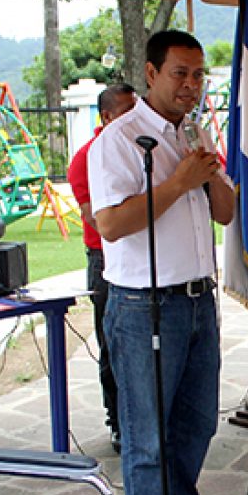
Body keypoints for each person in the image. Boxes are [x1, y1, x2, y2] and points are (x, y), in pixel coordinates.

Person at [88, 30, 235, 495]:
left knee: (196, 424)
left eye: (198, 75)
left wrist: (210, 173)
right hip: (143, 305)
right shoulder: (120, 140)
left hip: (198, 300)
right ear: (151, 74)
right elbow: (111, 224)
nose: (191, 85)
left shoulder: (194, 133)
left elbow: (224, 213)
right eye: (180, 73)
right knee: (147, 431)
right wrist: (178, 182)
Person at [67, 82, 139, 454]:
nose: (134, 119)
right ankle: (119, 422)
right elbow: (95, 217)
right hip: (106, 260)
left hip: (142, 260)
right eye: (127, 111)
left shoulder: (143, 148)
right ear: (107, 116)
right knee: (113, 346)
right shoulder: (86, 158)